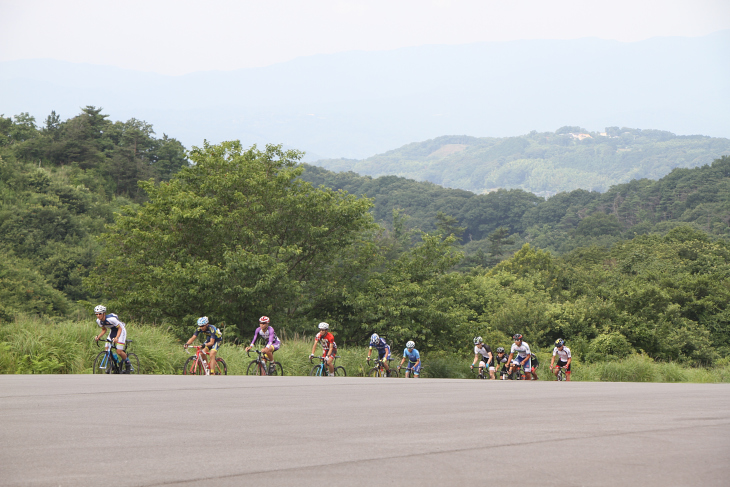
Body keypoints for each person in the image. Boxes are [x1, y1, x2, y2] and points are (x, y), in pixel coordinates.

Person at [93, 305, 132, 373]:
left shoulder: (111, 319)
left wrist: (117, 338)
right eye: (96, 314)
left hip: (121, 330)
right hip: (113, 331)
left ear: (104, 313)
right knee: (107, 349)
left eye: (100, 314)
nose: (98, 315)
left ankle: (128, 363)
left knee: (119, 351)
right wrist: (98, 337)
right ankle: (112, 366)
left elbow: (119, 328)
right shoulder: (98, 321)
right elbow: (104, 330)